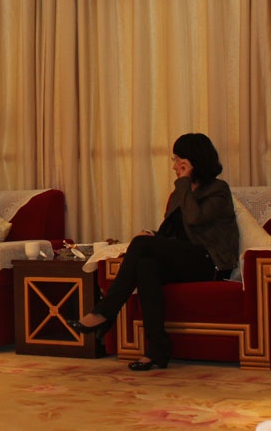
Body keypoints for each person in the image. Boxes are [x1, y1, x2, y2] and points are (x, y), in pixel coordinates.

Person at [70, 133, 239, 370]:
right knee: (145, 265)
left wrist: (184, 183)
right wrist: (154, 236)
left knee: (141, 246)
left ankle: (105, 312)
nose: (174, 166)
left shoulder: (218, 189)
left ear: (193, 161)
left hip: (211, 262)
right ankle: (157, 349)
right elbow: (173, 232)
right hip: (187, 260)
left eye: (178, 160)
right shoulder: (180, 193)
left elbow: (195, 218)